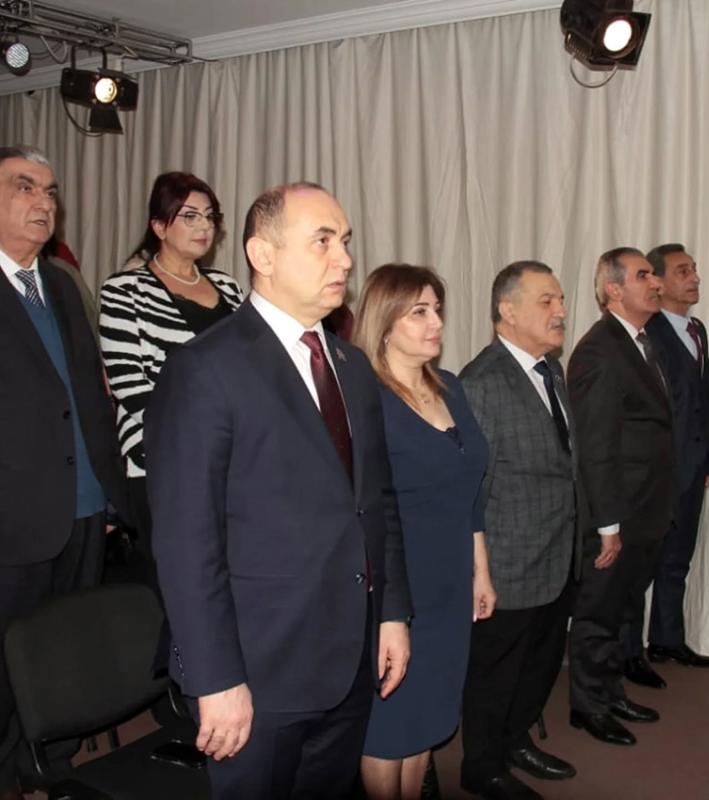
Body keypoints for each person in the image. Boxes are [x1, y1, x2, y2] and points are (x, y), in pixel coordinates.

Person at [145, 182, 412, 800]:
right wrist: (215, 679)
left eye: (345, 241)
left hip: (349, 654)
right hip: (258, 667)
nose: (345, 259)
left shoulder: (351, 366)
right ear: (262, 255)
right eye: (323, 241)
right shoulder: (205, 369)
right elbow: (187, 543)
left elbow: (377, 504)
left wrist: (392, 612)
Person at [0, 145, 127, 800]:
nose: (43, 202)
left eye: (50, 191)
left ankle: (45, 762)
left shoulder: (62, 285)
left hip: (83, 508)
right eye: (25, 187)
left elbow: (88, 396)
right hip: (15, 516)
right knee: (7, 660)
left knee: (62, 655)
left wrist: (109, 492)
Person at [353, 264, 495, 800]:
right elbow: (364, 508)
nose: (436, 322)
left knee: (429, 715)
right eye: (419, 312)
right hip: (398, 584)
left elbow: (469, 489)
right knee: (390, 722)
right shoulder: (367, 398)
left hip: (450, 582)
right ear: (385, 323)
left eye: (437, 310)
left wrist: (481, 570)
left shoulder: (450, 387)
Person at [459, 262, 579, 800]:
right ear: (507, 311)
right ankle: (482, 768)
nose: (561, 311)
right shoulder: (482, 382)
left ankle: (516, 740)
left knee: (539, 664)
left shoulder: (552, 370)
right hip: (507, 563)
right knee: (495, 673)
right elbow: (472, 489)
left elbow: (565, 464)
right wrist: (477, 571)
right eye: (546, 301)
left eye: (561, 300)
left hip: (557, 554)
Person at [98, 172, 244, 589]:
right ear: (159, 226)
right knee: (181, 588)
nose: (204, 226)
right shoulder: (124, 290)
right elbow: (130, 386)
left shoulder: (230, 288)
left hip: (232, 460)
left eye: (210, 217)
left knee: (232, 583)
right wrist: (199, 444)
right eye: (190, 216)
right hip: (162, 460)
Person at [567, 247, 674, 747]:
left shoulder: (638, 342)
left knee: (623, 609)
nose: (656, 283)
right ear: (614, 289)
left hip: (644, 508)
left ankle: (610, 693)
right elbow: (596, 445)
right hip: (616, 513)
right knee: (598, 613)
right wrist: (607, 524)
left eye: (654, 275)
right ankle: (588, 708)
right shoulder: (599, 350)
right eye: (643, 275)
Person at [636, 243, 709, 668]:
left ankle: (668, 639)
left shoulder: (697, 330)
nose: (695, 278)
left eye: (694, 270)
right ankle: (626, 654)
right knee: (640, 564)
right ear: (658, 281)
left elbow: (707, 395)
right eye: (683, 271)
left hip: (694, 465)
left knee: (677, 559)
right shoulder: (648, 333)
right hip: (659, 471)